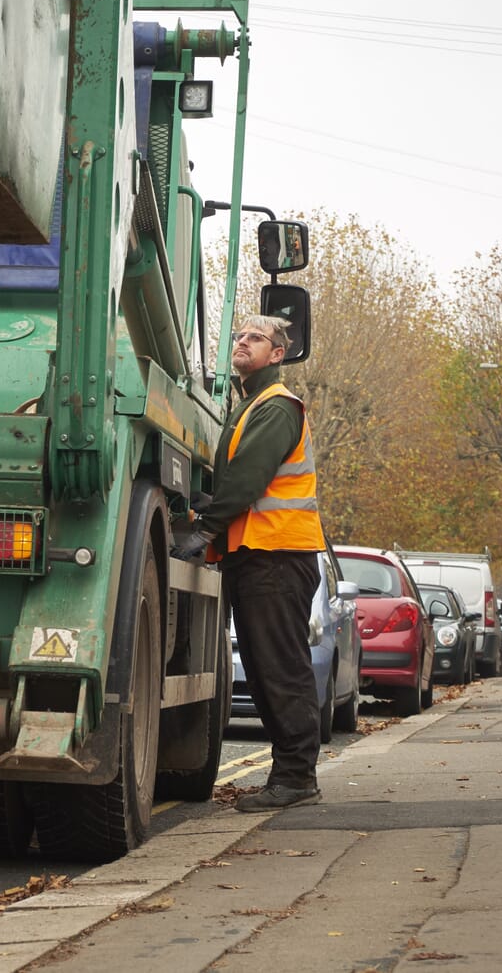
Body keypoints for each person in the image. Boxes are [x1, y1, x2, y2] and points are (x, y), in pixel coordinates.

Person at [175, 314, 326, 811]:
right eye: (240, 336)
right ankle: (291, 775)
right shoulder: (251, 406)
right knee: (264, 671)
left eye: (255, 339)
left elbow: (248, 481)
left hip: (277, 556)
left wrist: (204, 528)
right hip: (259, 555)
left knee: (280, 669)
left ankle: (297, 778)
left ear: (278, 354)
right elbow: (236, 479)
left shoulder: (277, 407)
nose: (242, 342)